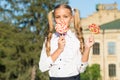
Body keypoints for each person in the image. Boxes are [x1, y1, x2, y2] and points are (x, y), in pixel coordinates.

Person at [39, 4, 94, 80]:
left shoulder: (76, 39)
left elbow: (81, 69)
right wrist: (59, 50)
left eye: (65, 17)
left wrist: (87, 48)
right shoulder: (49, 40)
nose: (62, 20)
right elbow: (42, 67)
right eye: (58, 17)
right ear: (54, 19)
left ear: (71, 18)